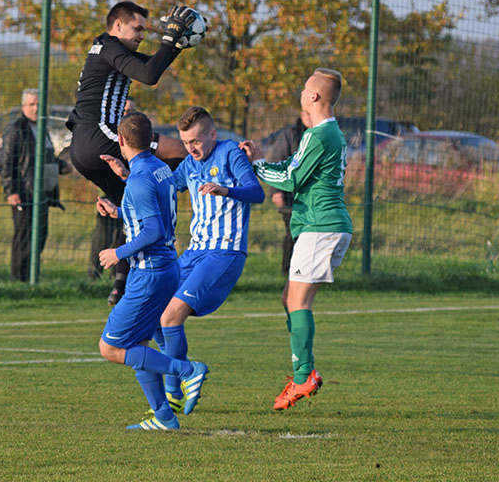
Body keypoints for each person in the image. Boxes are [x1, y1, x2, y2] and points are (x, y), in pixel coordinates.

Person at [102, 106, 264, 413]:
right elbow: (160, 191)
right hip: (194, 252)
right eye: (186, 142)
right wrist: (125, 185)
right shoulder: (189, 164)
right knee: (154, 316)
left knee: (170, 316)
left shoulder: (230, 153)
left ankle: (176, 387)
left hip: (225, 251)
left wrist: (226, 190)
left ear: (213, 134)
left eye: (197, 141)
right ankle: (178, 383)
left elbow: (257, 193)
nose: (191, 148)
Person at [239, 68, 353, 411]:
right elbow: (292, 165)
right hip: (320, 226)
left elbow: (290, 179)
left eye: (305, 88)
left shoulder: (320, 134)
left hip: (320, 226)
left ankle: (304, 376)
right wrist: (262, 160)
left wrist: (258, 165)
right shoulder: (322, 133)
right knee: (289, 298)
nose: (301, 92)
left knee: (298, 302)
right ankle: (303, 372)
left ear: (313, 96)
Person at [67, 1, 192, 305]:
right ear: (118, 25)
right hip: (102, 137)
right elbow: (149, 75)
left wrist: (176, 45)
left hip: (83, 148)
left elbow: (153, 66)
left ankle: (121, 286)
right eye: (137, 29)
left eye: (144, 31)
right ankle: (182, 187)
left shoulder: (109, 49)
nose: (142, 35)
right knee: (179, 150)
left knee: (132, 207)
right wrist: (170, 37)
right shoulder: (109, 47)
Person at [95, 112, 208, 431]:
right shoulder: (158, 169)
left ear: (120, 140)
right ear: (151, 139)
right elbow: (150, 211)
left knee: (111, 347)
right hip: (164, 269)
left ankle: (187, 371)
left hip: (150, 274)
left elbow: (153, 230)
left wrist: (117, 252)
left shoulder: (140, 179)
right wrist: (119, 210)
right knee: (139, 344)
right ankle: (164, 417)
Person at [0, 88, 72, 282]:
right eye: (31, 104)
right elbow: (6, 163)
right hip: (25, 193)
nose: (35, 108)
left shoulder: (41, 128)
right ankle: (18, 280)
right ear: (23, 106)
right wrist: (11, 191)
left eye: (39, 104)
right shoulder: (16, 129)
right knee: (24, 237)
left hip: (43, 194)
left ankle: (32, 278)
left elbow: (43, 158)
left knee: (40, 235)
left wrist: (60, 166)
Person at [86, 97, 138, 280]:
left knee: (123, 236)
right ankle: (93, 275)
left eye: (131, 111)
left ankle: (117, 277)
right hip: (111, 194)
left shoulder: (138, 138)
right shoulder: (109, 136)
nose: (128, 114)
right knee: (103, 235)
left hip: (131, 195)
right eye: (125, 111)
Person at [267, 111, 310, 279]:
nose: (310, 117)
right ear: (301, 114)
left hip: (314, 198)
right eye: (307, 114)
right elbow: (277, 163)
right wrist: (276, 191)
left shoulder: (323, 135)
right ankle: (288, 273)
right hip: (291, 197)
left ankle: (308, 274)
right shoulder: (289, 135)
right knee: (293, 235)